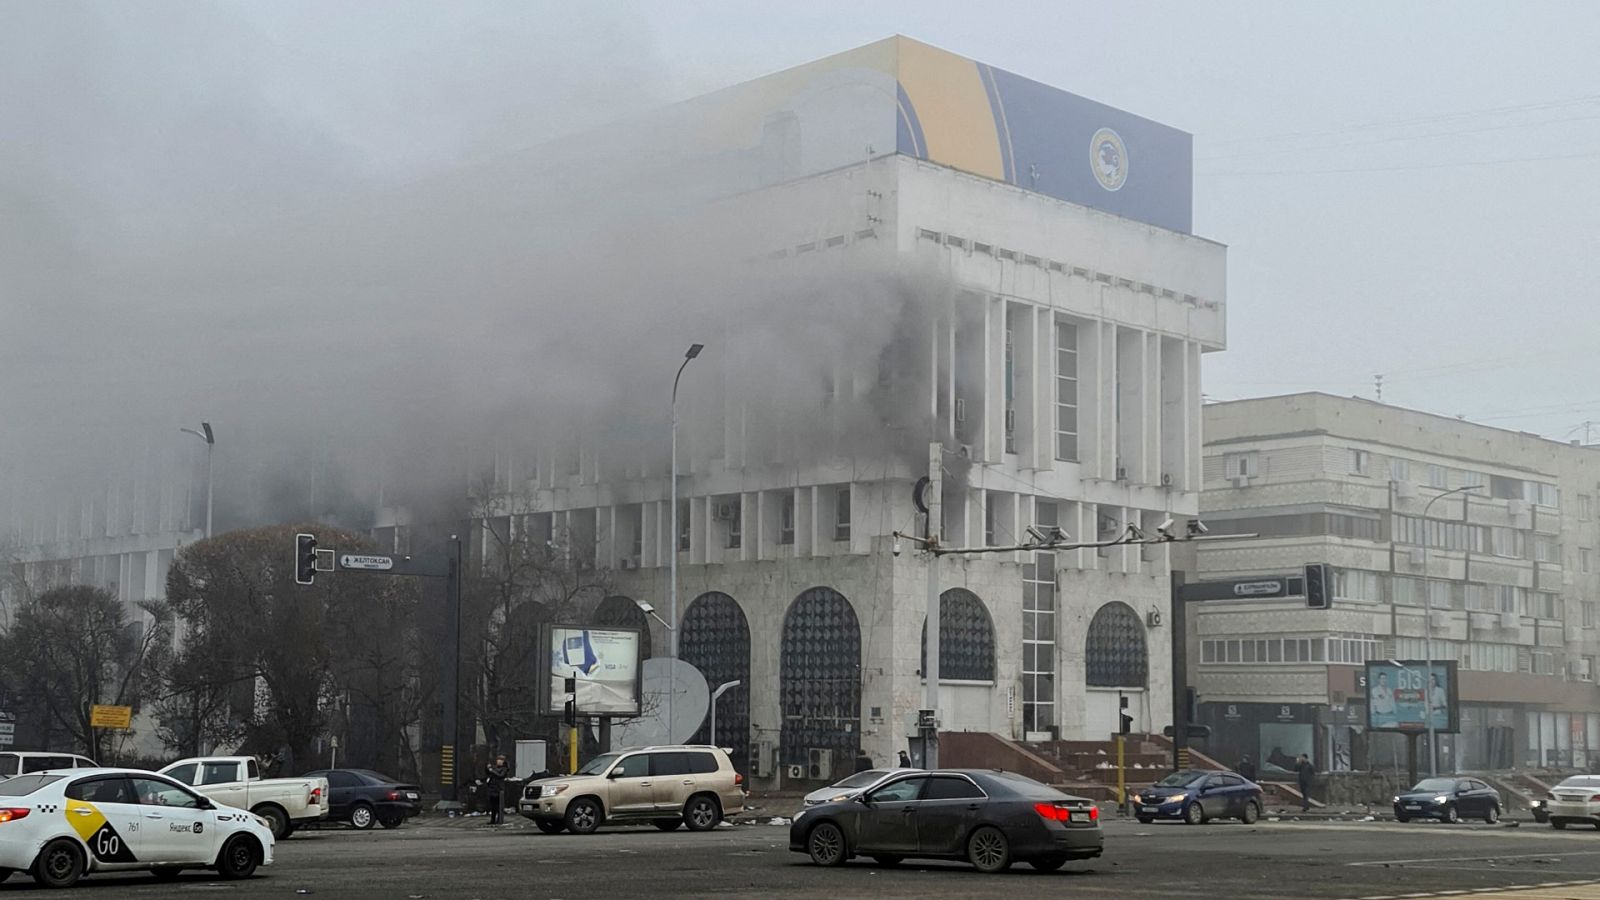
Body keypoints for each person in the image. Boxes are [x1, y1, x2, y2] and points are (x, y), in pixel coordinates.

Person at [485, 754, 510, 826]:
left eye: (501, 760)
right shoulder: (495, 768)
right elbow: (488, 773)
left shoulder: (504, 769)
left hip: (498, 789)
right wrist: (488, 768)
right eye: (498, 760)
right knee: (493, 806)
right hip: (492, 788)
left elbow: (500, 775)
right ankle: (492, 820)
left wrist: (492, 770)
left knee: (498, 806)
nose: (499, 761)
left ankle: (499, 819)